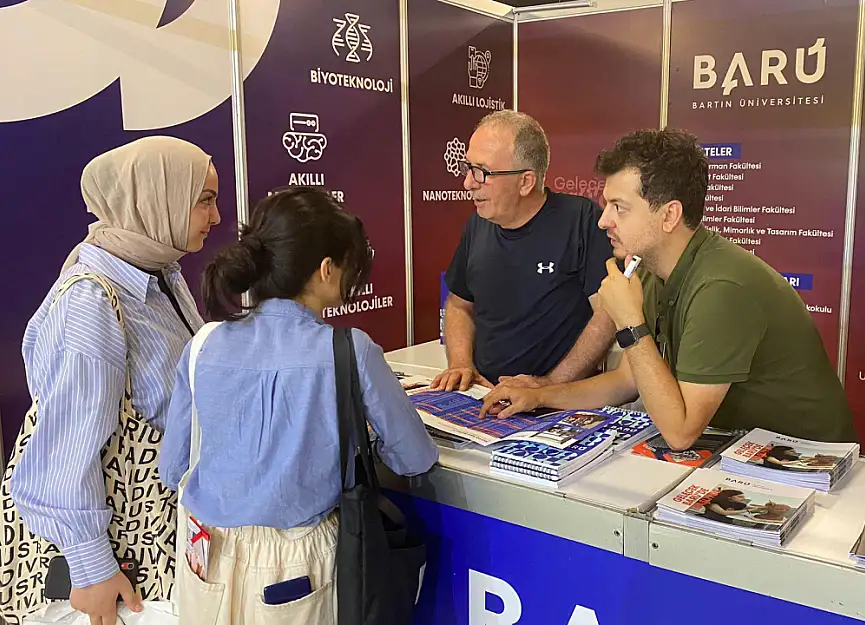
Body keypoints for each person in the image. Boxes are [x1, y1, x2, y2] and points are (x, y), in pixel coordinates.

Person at [158, 187, 437, 624]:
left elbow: (173, 469)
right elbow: (415, 458)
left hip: (203, 553)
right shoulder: (350, 351)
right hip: (298, 567)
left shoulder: (203, 344)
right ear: (327, 269)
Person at [479, 128, 857, 447]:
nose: (603, 221)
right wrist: (540, 395)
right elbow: (625, 380)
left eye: (619, 207)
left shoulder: (721, 288)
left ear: (669, 215)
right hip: (738, 446)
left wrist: (629, 323)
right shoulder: (648, 268)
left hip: (804, 459)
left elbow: (680, 432)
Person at [1, 136, 222, 625]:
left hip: (159, 549)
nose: (217, 216)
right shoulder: (94, 303)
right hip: (122, 577)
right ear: (155, 198)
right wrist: (93, 571)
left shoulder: (159, 274)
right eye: (204, 199)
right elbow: (61, 455)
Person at [432, 110, 615, 392]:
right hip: (484, 396)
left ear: (526, 182)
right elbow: (459, 304)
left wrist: (551, 385)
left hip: (556, 405)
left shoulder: (581, 221)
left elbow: (607, 315)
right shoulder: (477, 225)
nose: (468, 183)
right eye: (467, 168)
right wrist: (460, 364)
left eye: (482, 172)